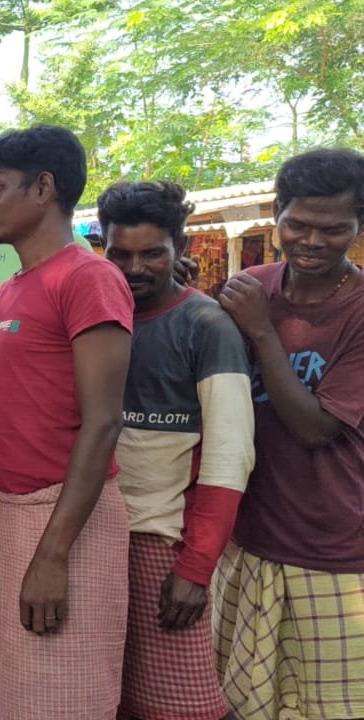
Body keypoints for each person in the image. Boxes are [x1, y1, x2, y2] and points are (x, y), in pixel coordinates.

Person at [0, 125, 134, 719]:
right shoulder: (9, 289)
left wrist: (54, 554)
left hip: (69, 522)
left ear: (43, 188)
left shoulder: (88, 278)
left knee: (65, 700)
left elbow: (104, 422)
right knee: (16, 700)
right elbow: (6, 413)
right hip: (16, 515)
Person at [215, 148, 364, 720]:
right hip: (248, 539)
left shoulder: (355, 311)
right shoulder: (250, 288)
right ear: (276, 213)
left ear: (358, 227)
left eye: (334, 229)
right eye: (298, 224)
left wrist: (261, 331)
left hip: (332, 550)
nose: (312, 241)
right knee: (240, 704)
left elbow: (314, 427)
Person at [99, 181, 254, 720]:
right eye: (120, 254)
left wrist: (196, 567)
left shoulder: (206, 327)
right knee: (112, 697)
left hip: (168, 546)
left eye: (153, 254)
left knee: (185, 704)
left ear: (180, 248)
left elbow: (229, 457)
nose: (135, 268)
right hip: (100, 540)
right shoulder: (99, 319)